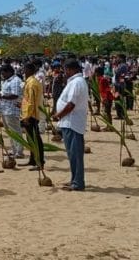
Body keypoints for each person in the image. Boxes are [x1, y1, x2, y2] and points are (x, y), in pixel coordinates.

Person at [53, 59, 89, 191]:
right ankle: (75, 179)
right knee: (72, 154)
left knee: (75, 154)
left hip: (72, 122)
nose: (65, 72)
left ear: (72, 69)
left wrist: (59, 115)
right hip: (69, 122)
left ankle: (78, 183)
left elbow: (71, 104)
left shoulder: (77, 82)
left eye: (66, 69)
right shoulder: (75, 81)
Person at [21, 63, 45, 170]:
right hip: (28, 113)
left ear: (29, 70)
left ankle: (39, 162)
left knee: (35, 139)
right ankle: (32, 159)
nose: (23, 72)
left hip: (31, 115)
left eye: (25, 69)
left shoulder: (32, 84)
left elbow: (32, 102)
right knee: (30, 139)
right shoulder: (30, 82)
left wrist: (27, 116)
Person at [0, 64, 24, 158]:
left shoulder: (15, 81)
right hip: (5, 109)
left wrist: (2, 96)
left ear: (9, 72)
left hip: (11, 109)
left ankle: (19, 151)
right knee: (9, 131)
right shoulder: (6, 81)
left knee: (15, 131)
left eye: (3, 73)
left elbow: (15, 95)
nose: (2, 75)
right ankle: (14, 150)